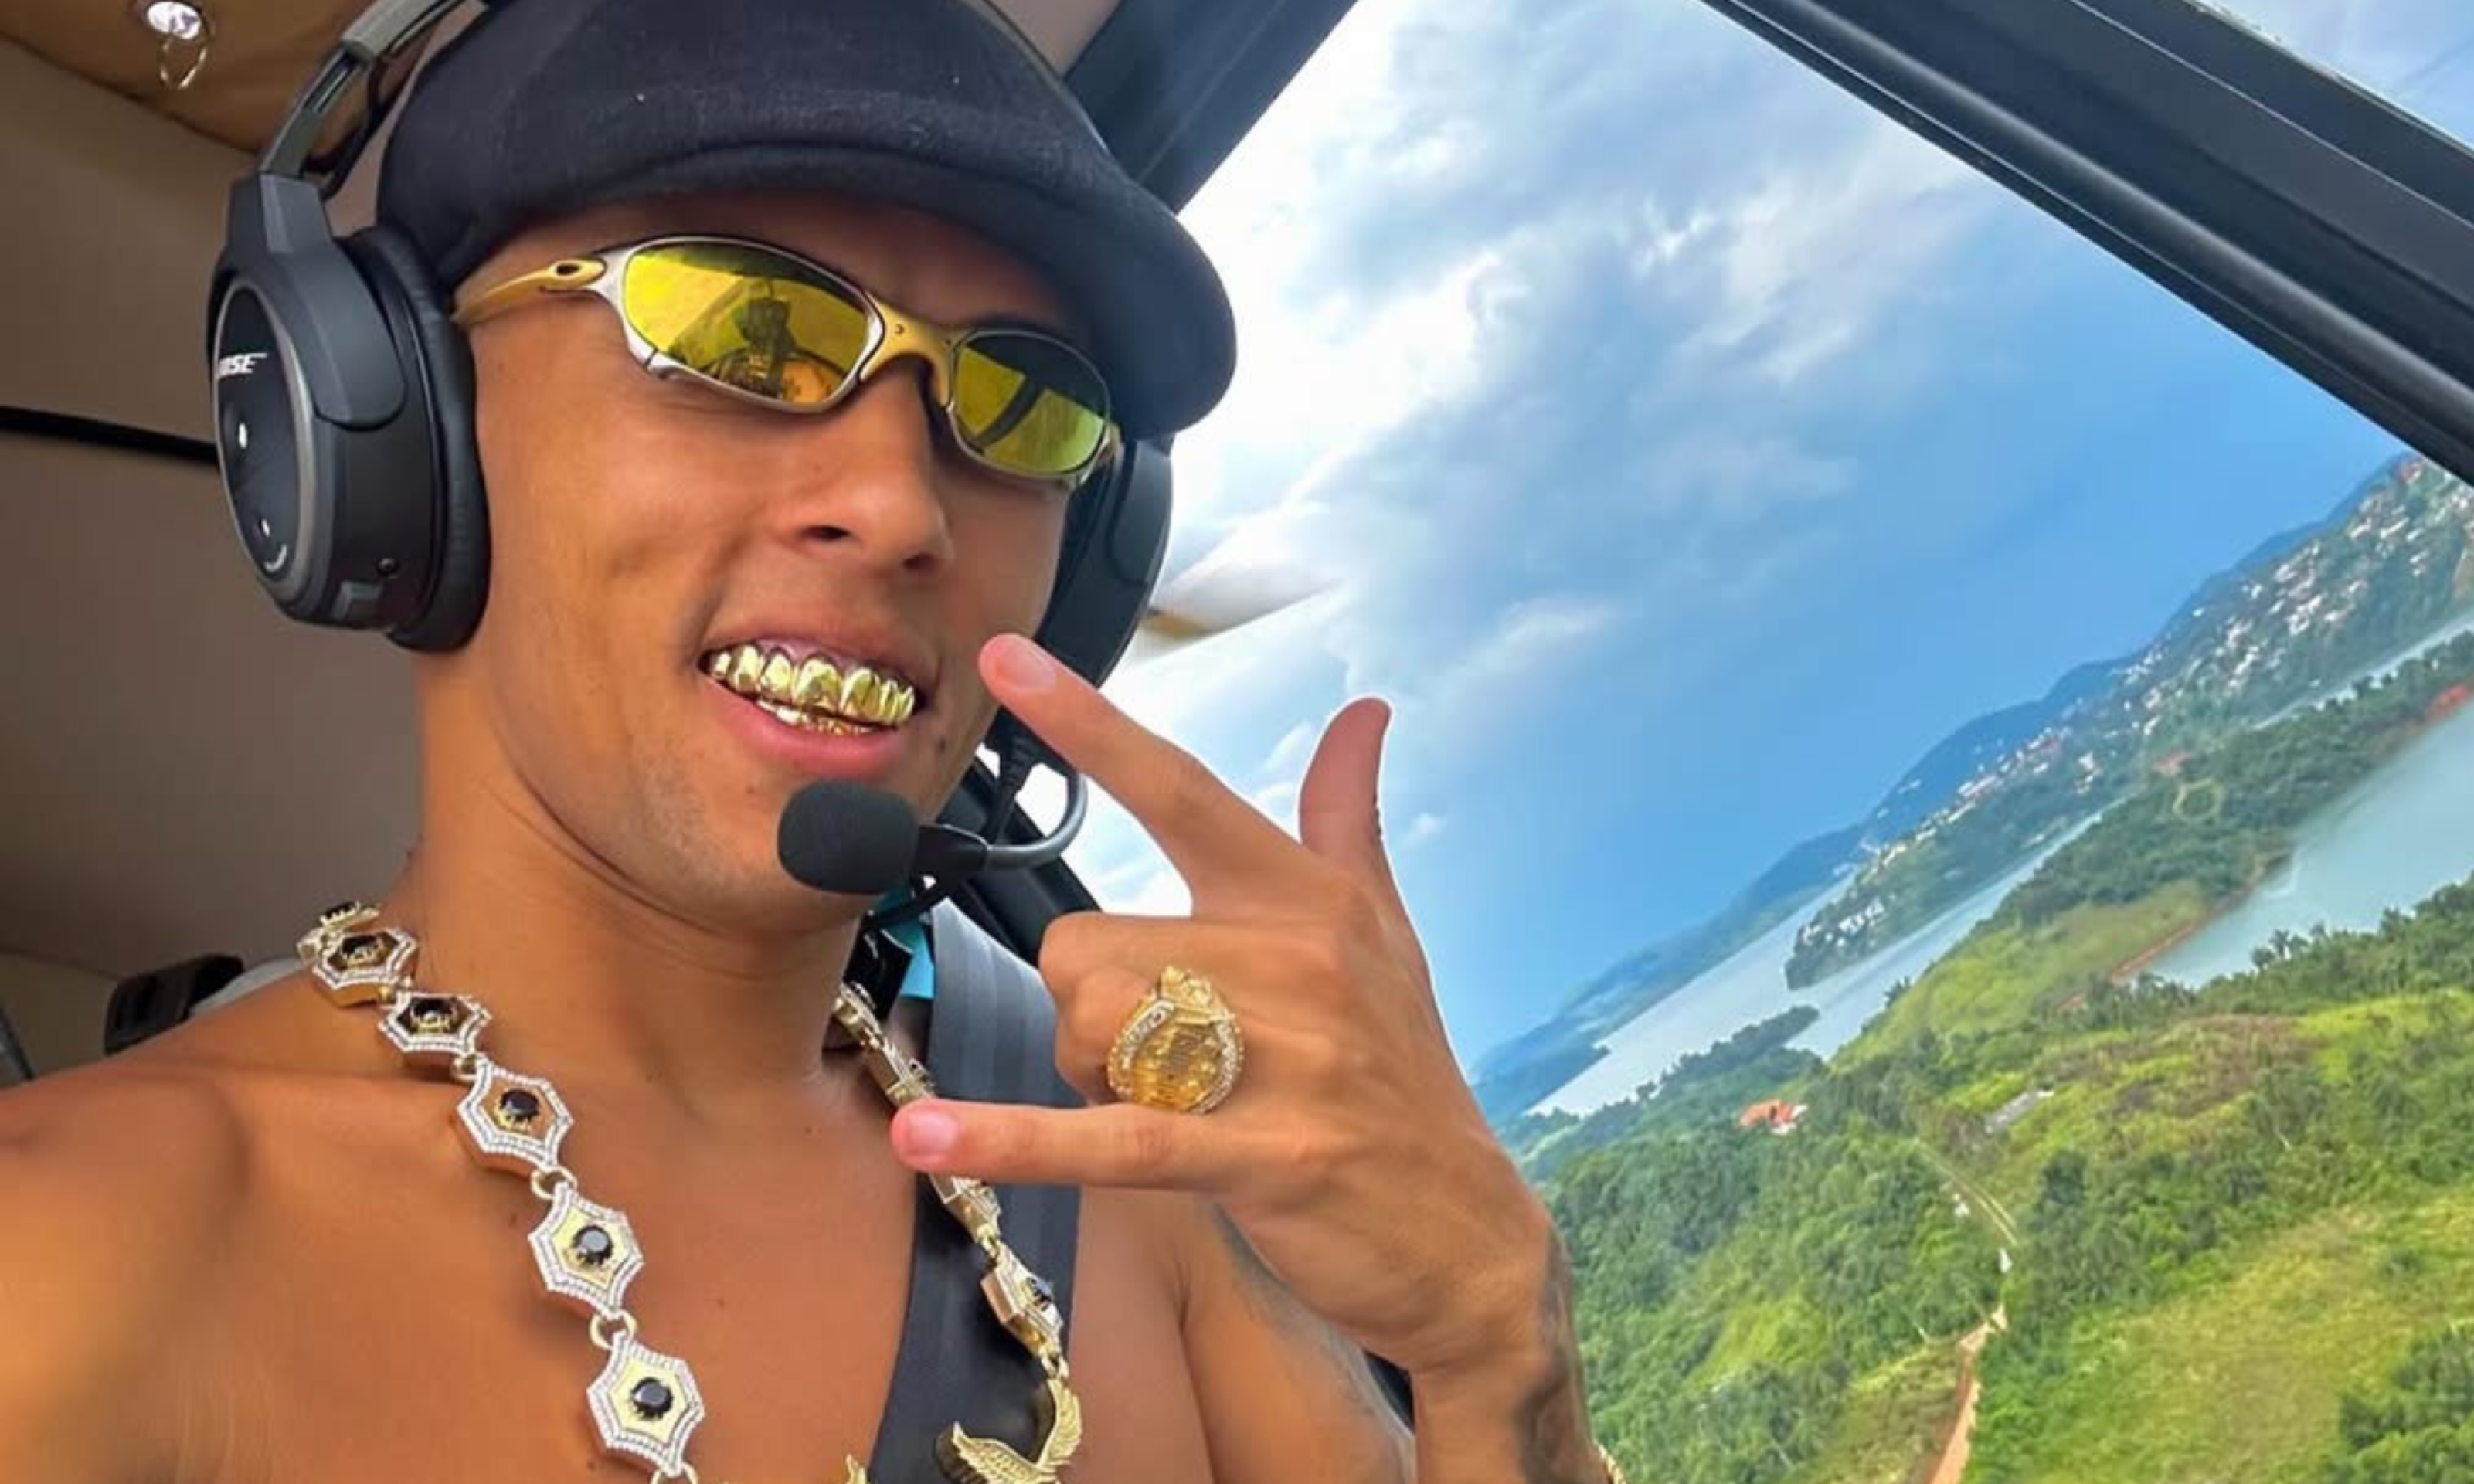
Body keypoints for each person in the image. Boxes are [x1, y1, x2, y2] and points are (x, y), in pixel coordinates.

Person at [0, 1, 1619, 1481]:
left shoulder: (1129, 1185)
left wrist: (1501, 1365)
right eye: (739, 328)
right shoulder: (67, 1272)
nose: (905, 506)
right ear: (393, 421)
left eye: (1026, 404)